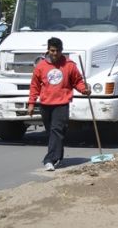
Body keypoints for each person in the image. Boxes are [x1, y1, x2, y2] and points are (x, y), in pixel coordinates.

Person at [27, 37, 91, 171]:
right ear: (48, 50)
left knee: (57, 130)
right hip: (45, 104)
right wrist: (31, 103)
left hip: (62, 103)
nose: (55, 53)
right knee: (53, 132)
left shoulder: (69, 65)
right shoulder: (41, 66)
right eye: (52, 50)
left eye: (58, 51)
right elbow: (34, 86)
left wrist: (84, 89)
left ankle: (49, 159)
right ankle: (58, 156)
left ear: (62, 51)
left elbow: (77, 81)